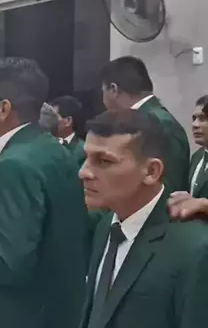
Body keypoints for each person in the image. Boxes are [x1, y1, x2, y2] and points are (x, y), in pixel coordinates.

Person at [0, 57, 86, 328]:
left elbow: (8, 262)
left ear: (4, 108)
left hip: (7, 313)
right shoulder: (50, 148)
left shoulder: (14, 164)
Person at [79, 109, 208, 328]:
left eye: (104, 161)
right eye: (86, 158)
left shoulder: (194, 248)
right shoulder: (107, 225)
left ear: (151, 171)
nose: (84, 172)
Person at [101, 56, 190, 194]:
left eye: (103, 91)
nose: (103, 100)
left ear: (113, 89)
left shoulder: (160, 123)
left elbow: (168, 189)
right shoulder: (143, 118)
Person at [50, 95, 86, 165]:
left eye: (52, 116)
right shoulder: (46, 143)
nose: (48, 120)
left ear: (68, 121)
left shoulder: (83, 151)